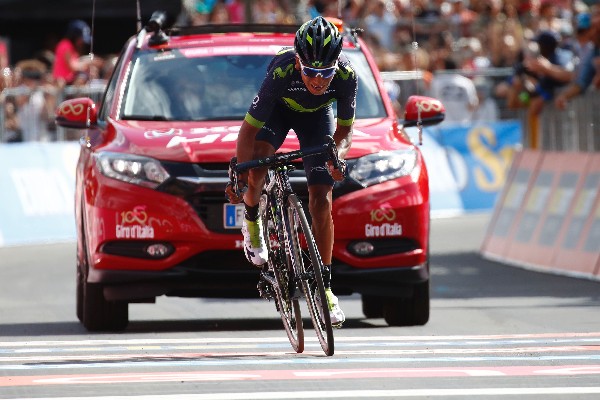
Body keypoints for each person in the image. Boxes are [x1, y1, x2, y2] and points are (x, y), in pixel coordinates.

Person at [225, 16, 357, 327]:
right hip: (279, 113)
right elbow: (247, 133)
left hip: (318, 118)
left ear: (336, 65)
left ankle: (324, 289)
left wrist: (336, 157)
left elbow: (346, 131)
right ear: (298, 61)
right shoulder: (281, 71)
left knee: (322, 200)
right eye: (311, 72)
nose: (318, 81)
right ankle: (253, 223)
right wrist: (241, 179)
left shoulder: (347, 75)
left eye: (325, 73)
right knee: (259, 161)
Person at [555, 7, 600, 109]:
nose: (590, 35)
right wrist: (564, 96)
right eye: (592, 27)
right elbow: (581, 82)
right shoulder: (594, 52)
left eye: (596, 29)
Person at [51, 20, 99, 88]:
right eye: (80, 38)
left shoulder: (73, 49)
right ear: (74, 36)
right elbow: (72, 66)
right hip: (62, 84)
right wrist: (89, 62)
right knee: (82, 76)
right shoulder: (65, 44)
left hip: (69, 83)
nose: (82, 42)